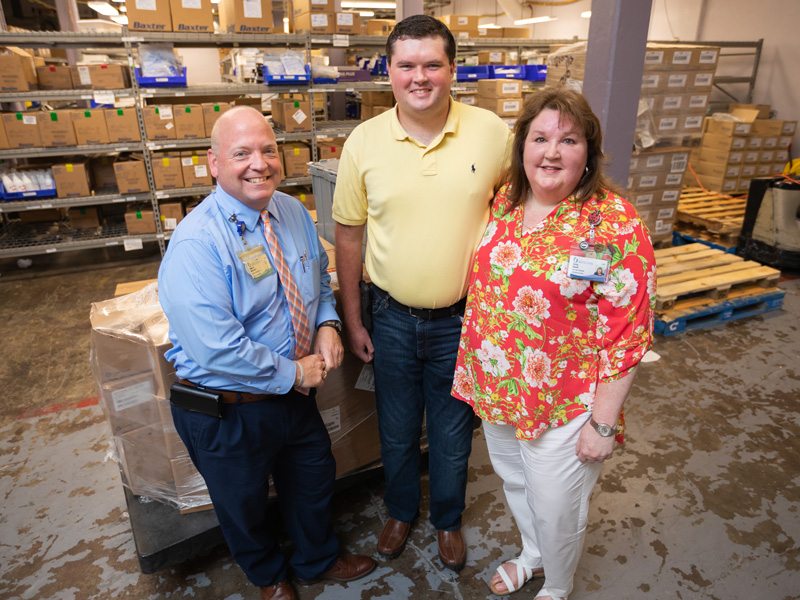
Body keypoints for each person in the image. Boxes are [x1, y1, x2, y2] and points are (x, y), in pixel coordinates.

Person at [158, 106, 375, 600]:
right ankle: (269, 578)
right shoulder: (197, 242)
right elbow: (216, 348)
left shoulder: (293, 212)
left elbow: (318, 276)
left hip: (292, 393)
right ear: (214, 163)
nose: (259, 163)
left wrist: (325, 323)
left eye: (268, 150)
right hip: (227, 407)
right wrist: (293, 372)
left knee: (313, 477)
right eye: (241, 153)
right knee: (243, 503)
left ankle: (317, 558)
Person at [451, 88, 656, 599]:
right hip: (498, 385)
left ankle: (558, 585)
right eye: (540, 138)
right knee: (517, 484)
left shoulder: (614, 225)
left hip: (564, 402)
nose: (552, 152)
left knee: (556, 505)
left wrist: (602, 424)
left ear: (588, 152)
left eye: (568, 140)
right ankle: (533, 555)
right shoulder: (505, 202)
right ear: (522, 146)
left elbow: (628, 334)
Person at [332, 15, 513, 571]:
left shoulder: (493, 133)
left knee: (455, 432)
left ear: (451, 69)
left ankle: (448, 520)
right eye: (406, 65)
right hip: (388, 315)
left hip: (465, 318)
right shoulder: (363, 142)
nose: (420, 76)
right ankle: (400, 511)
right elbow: (348, 233)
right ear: (388, 71)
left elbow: (520, 214)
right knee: (397, 425)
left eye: (432, 64)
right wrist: (354, 319)